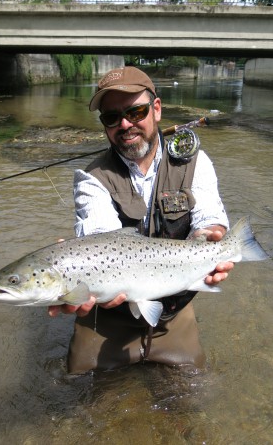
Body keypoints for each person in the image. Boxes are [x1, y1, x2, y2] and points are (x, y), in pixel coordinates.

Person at [49, 66, 234, 374]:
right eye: (112, 118)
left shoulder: (195, 162)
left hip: (172, 315)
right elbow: (101, 235)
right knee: (79, 392)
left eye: (135, 112)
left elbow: (209, 215)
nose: (125, 124)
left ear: (156, 109)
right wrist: (76, 262)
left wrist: (211, 235)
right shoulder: (90, 178)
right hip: (107, 320)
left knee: (191, 398)